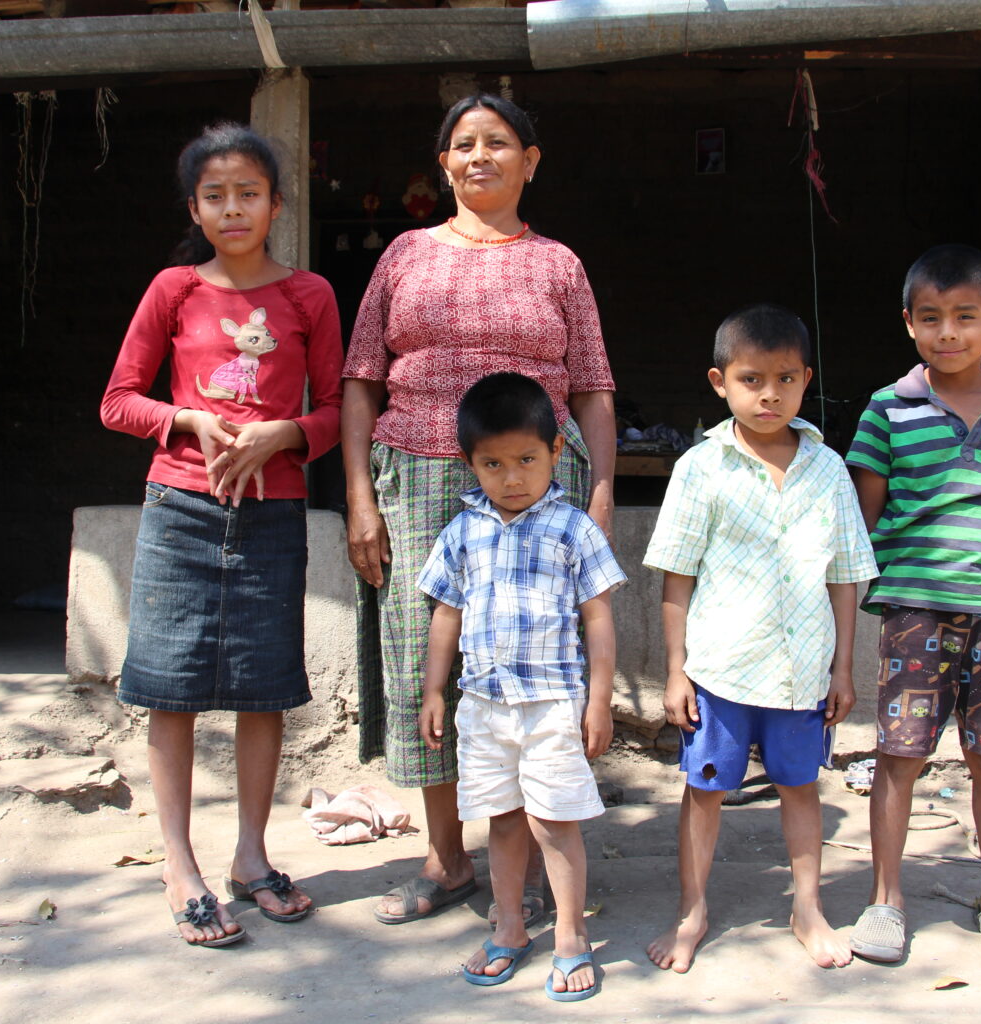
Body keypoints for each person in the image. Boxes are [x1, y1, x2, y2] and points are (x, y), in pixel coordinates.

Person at [342, 93, 617, 927]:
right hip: (419, 475)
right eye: (463, 144)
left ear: (530, 161)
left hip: (538, 487)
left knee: (531, 659)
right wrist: (358, 497)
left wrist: (601, 491)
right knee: (421, 660)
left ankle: (523, 863)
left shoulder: (559, 264)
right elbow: (360, 380)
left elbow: (593, 389)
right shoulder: (404, 255)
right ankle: (446, 857)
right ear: (444, 165)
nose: (479, 156)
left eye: (498, 142)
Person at [100, 122, 342, 947]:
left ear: (277, 204)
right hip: (180, 512)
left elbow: (337, 411)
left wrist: (286, 434)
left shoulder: (310, 295)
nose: (232, 208)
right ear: (195, 210)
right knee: (170, 689)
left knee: (262, 687)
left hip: (273, 514)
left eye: (248, 193)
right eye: (215, 195)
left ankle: (251, 856)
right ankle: (178, 864)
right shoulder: (173, 290)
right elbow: (118, 401)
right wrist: (187, 419)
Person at [844, 244, 981, 966]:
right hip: (915, 609)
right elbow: (865, 519)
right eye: (932, 317)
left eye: (966, 317)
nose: (949, 333)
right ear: (909, 323)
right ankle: (885, 900)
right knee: (899, 754)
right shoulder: (888, 410)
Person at [642, 305, 878, 974]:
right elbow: (678, 578)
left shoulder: (828, 470)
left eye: (784, 379)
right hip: (719, 668)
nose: (769, 395)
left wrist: (842, 668)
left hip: (802, 670)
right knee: (705, 790)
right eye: (751, 380)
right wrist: (676, 671)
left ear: (806, 380)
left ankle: (808, 908)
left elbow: (844, 578)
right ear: (720, 383)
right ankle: (692, 911)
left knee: (800, 786)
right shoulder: (700, 468)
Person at [416, 372, 624, 1000]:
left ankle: (571, 934)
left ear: (556, 451)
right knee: (503, 821)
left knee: (555, 822)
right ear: (470, 464)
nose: (512, 478)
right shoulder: (461, 532)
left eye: (527, 460)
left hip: (552, 705)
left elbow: (598, 618)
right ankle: (509, 927)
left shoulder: (574, 529)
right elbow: (446, 614)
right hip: (483, 704)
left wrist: (599, 699)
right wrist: (434, 691)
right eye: (494, 464)